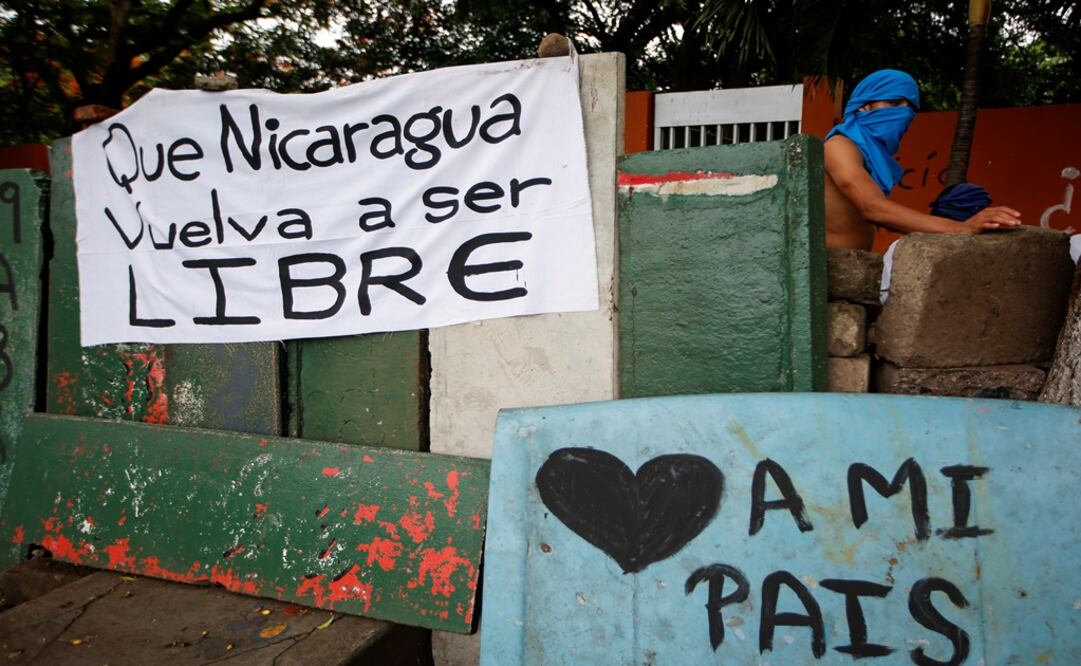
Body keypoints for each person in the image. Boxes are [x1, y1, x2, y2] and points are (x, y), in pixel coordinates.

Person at [824, 69, 1021, 250]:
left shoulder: (871, 156)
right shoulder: (840, 146)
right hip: (820, 273)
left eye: (910, 108)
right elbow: (873, 208)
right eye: (893, 104)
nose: (904, 114)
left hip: (856, 265)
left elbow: (886, 220)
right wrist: (962, 228)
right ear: (864, 106)